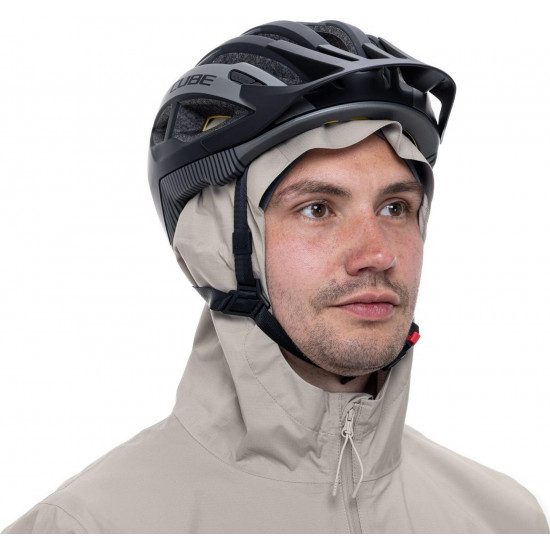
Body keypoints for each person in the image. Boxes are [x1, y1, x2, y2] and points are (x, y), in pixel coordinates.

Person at [2, 19, 548, 534]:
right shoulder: (87, 529)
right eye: (318, 209)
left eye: (395, 208)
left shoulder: (505, 520)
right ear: (217, 245)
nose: (378, 254)